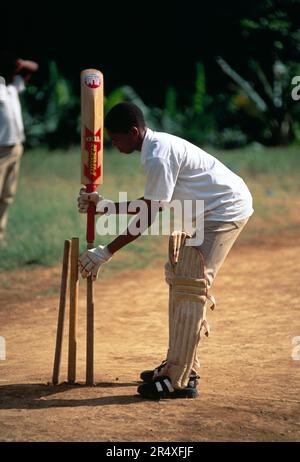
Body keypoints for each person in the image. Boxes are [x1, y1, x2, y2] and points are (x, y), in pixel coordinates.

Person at [77, 102, 253, 400]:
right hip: (203, 213)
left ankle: (179, 380)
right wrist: (107, 206)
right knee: (180, 279)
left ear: (134, 132)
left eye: (117, 138)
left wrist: (107, 251)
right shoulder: (154, 149)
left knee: (191, 284)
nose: (114, 144)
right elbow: (151, 202)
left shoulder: (158, 155)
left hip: (224, 211)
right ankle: (179, 364)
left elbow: (147, 216)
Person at [0, 51, 39, 241]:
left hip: (16, 147)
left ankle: (0, 234)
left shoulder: (13, 86)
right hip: (1, 150)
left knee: (7, 195)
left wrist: (21, 63)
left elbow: (34, 67)